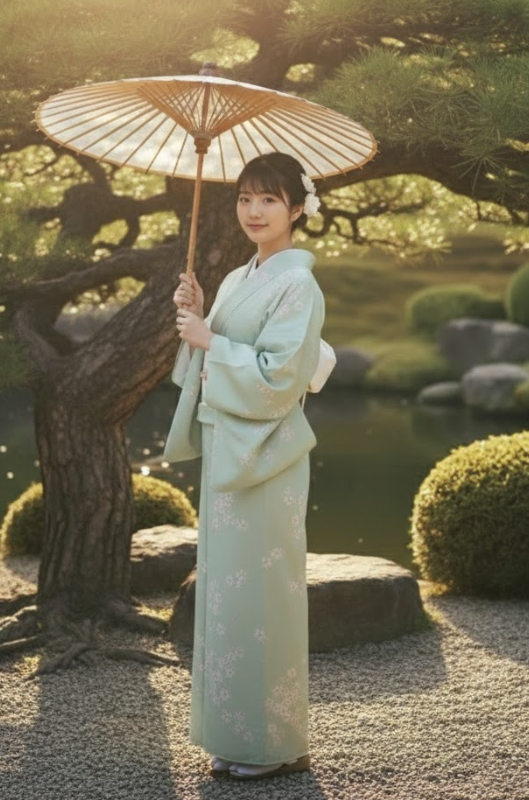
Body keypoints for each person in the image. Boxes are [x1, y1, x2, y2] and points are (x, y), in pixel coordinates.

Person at [163, 152, 326, 781]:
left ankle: (275, 744)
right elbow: (202, 369)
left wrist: (214, 341)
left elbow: (279, 380)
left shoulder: (299, 284)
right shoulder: (236, 279)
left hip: (267, 459)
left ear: (296, 208)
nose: (253, 212)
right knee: (229, 598)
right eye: (244, 199)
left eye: (269, 199)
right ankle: (234, 735)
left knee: (264, 597)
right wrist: (204, 313)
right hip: (231, 454)